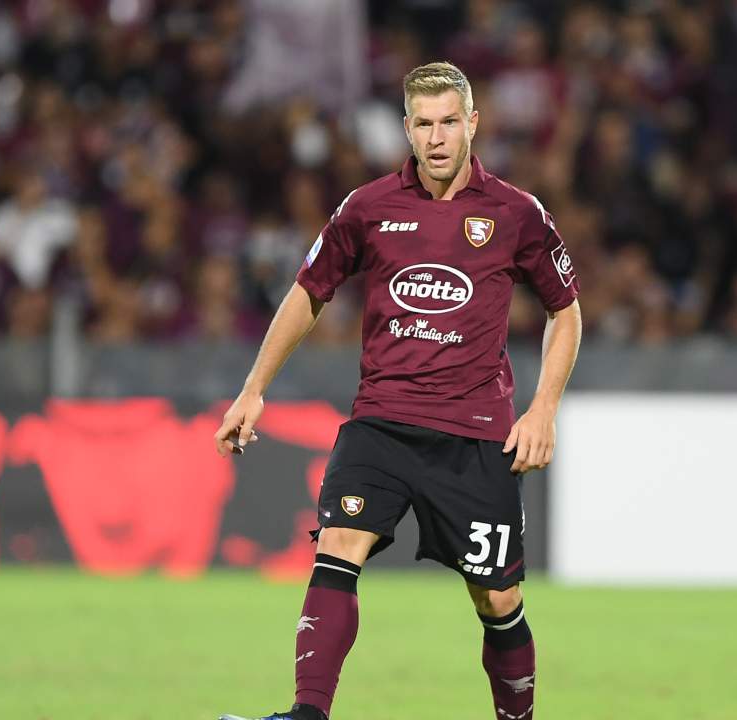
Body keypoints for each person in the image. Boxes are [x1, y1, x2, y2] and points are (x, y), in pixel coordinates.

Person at [214, 61, 582, 720]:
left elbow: (567, 310)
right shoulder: (368, 208)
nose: (437, 138)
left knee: (497, 601)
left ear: (472, 124)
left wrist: (543, 408)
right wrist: (253, 388)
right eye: (423, 124)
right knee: (337, 547)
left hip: (475, 434)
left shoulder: (517, 214)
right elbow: (309, 292)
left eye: (449, 122)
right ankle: (307, 716)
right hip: (382, 423)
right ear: (406, 130)